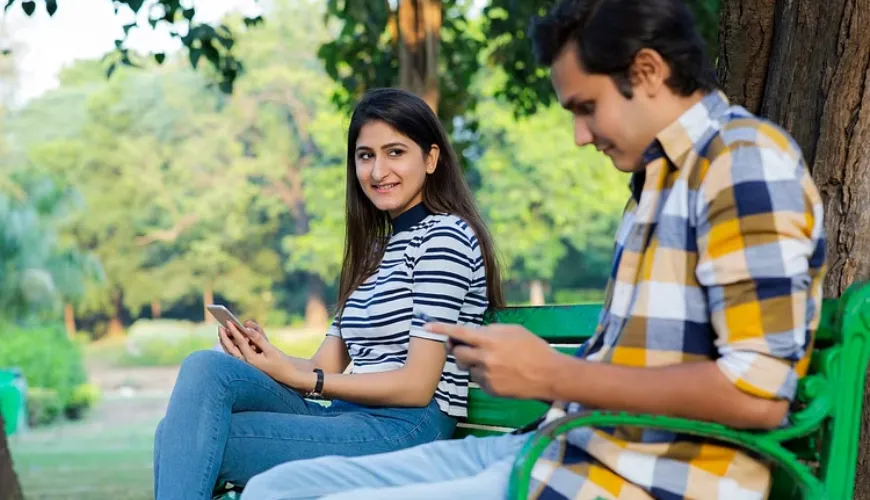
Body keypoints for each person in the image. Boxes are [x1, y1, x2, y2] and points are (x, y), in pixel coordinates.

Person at [240, 0, 827, 499]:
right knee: (277, 489)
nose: (578, 135)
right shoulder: (659, 182)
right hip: (562, 450)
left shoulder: (742, 163)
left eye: (586, 108)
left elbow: (757, 395)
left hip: (642, 477)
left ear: (647, 72)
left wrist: (554, 375)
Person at [152, 88, 504, 500]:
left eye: (395, 152)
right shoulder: (375, 250)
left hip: (406, 427)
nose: (377, 171)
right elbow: (323, 364)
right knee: (206, 368)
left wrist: (311, 380)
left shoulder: (446, 237)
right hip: (347, 418)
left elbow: (417, 385)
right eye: (365, 155)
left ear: (430, 158)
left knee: (189, 440)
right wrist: (268, 358)